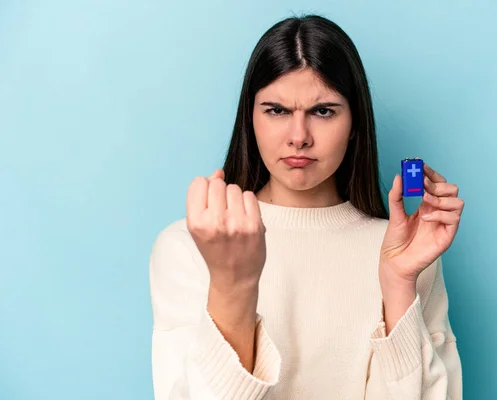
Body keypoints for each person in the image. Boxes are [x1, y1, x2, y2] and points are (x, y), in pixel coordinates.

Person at [149, 14, 464, 400]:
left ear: (355, 124)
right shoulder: (188, 245)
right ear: (250, 119)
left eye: (323, 111)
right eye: (277, 110)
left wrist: (398, 284)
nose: (299, 137)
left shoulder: (408, 253)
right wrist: (234, 283)